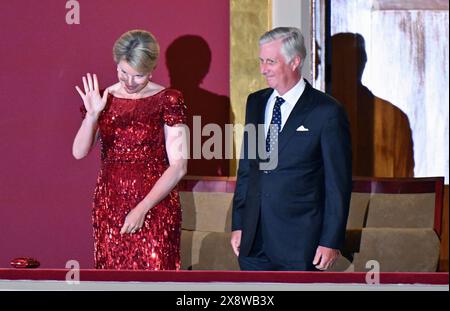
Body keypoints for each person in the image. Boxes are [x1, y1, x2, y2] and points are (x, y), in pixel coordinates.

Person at [231, 27, 352, 271]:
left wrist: (330, 241)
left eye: (270, 62)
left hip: (300, 242)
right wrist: (239, 224)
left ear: (295, 61)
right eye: (261, 61)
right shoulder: (256, 102)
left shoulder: (327, 111)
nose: (263, 69)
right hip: (253, 241)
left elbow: (338, 183)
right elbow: (248, 169)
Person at [72, 30, 187, 270]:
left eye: (138, 76)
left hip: (155, 206)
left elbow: (178, 166)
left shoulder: (168, 99)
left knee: (156, 278)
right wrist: (92, 115)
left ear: (152, 70)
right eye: (123, 72)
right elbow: (79, 152)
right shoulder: (103, 98)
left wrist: (141, 209)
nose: (129, 81)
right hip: (109, 206)